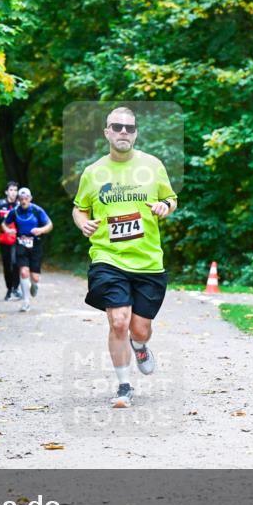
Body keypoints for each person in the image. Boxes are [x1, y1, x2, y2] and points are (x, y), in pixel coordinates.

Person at [72, 107, 178, 408]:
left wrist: (165, 207)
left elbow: (171, 199)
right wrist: (84, 224)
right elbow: (79, 208)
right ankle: (123, 386)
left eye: (129, 128)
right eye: (117, 127)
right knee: (119, 321)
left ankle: (140, 345)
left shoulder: (153, 165)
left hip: (147, 261)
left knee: (139, 329)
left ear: (136, 133)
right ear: (106, 131)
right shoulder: (93, 172)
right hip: (108, 257)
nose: (123, 132)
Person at [3, 187, 52, 312]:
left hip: (36, 244)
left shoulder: (37, 210)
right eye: (21, 198)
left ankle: (34, 284)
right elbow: (4, 223)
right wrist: (8, 230)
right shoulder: (15, 211)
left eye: (26, 198)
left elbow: (49, 225)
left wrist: (41, 230)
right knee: (24, 272)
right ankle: (26, 302)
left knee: (35, 277)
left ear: (30, 198)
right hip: (21, 243)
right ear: (18, 200)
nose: (24, 201)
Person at [0, 181, 21, 300]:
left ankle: (16, 288)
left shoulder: (20, 204)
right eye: (11, 190)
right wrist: (4, 218)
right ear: (6, 192)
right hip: (4, 238)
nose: (13, 192)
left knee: (15, 263)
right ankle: (9, 288)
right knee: (7, 264)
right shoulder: (0, 204)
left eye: (15, 190)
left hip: (17, 238)